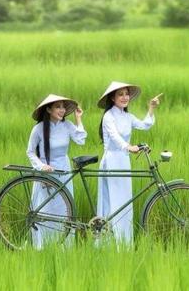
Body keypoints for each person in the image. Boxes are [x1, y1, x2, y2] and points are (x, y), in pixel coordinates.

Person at [96, 81, 161, 245]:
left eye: (126, 94)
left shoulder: (127, 116)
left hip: (124, 161)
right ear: (112, 98)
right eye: (120, 94)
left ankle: (124, 244)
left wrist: (151, 108)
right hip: (112, 161)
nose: (125, 97)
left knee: (125, 202)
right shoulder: (108, 117)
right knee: (114, 201)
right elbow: (115, 137)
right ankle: (109, 242)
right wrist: (128, 147)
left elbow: (145, 125)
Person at [26, 94, 86, 249]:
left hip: (64, 170)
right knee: (46, 210)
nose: (62, 110)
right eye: (58, 107)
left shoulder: (67, 125)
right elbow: (30, 152)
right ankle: (43, 247)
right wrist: (41, 166)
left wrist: (79, 119)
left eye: (63, 107)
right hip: (47, 171)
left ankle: (64, 247)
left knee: (64, 209)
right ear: (48, 109)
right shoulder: (38, 129)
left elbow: (81, 140)